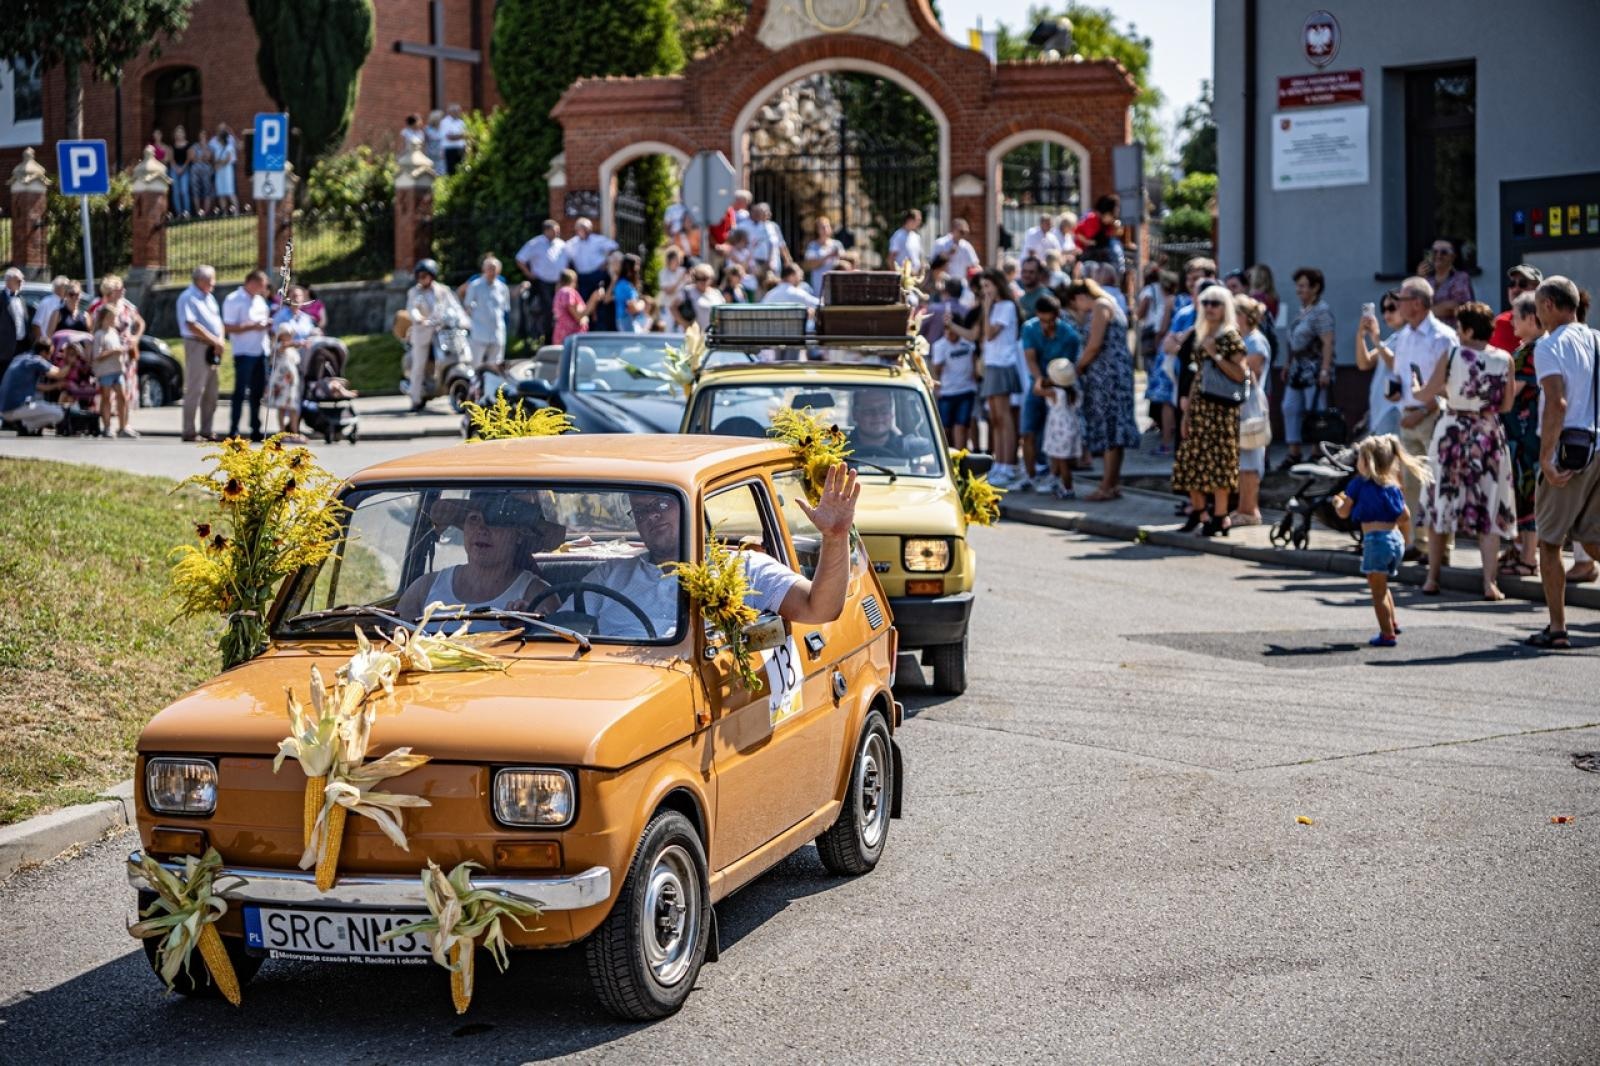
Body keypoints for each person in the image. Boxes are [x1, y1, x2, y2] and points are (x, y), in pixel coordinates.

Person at [574, 465, 861, 639]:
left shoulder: (745, 567)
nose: (652, 517)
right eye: (641, 510)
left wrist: (834, 537)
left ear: (693, 510)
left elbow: (819, 608)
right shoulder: (607, 577)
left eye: (662, 505)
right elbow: (559, 632)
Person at [1415, 301, 1516, 599]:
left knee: (1442, 503)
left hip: (1453, 431)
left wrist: (1415, 383)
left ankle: (1432, 578)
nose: (1457, 333)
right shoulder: (1505, 359)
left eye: (1460, 327)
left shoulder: (1454, 354)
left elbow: (1425, 393)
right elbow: (1507, 405)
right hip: (1488, 433)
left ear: (1469, 329)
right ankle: (1489, 583)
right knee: (1489, 505)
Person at [1527, 277, 1600, 649]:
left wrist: (1546, 458)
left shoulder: (1549, 345)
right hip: (1599, 446)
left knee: (1550, 542)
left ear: (1551, 306)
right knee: (1593, 537)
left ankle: (1557, 629)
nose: (1536, 314)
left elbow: (1556, 403)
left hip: (1570, 452)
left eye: (1538, 307)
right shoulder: (1597, 339)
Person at [396, 490, 563, 623]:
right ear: (464, 528)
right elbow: (393, 646)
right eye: (474, 519)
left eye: (495, 521)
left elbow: (555, 658)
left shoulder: (537, 595)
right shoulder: (423, 590)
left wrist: (532, 626)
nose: (481, 529)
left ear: (518, 534)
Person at [1332, 435, 1428, 647]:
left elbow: (1343, 513)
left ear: (1367, 462)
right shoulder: (1392, 486)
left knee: (1377, 592)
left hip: (1375, 542)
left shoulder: (1358, 484)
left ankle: (1387, 634)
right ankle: (1392, 622)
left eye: (1359, 458)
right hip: (1395, 540)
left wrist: (1337, 501)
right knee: (1383, 586)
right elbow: (1405, 516)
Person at [1390, 275, 1459, 558]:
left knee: (1439, 482)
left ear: (1417, 303)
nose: (1398, 305)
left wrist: (1422, 409)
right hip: (1407, 417)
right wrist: (1395, 396)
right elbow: (1400, 376)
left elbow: (1450, 381)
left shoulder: (1443, 336)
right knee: (1412, 483)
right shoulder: (1404, 335)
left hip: (1432, 417)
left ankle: (1442, 547)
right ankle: (1419, 544)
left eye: (1402, 300)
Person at [1171, 285, 1248, 537]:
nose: (1210, 308)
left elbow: (1240, 373)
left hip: (1222, 409)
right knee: (1191, 460)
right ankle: (1198, 511)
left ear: (1226, 306)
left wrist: (1215, 355)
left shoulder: (1229, 336)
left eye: (1215, 303)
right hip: (1202, 407)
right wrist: (1186, 412)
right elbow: (1198, 376)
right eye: (1205, 303)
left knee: (1219, 464)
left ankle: (1220, 516)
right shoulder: (1201, 333)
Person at [1064, 278, 1141, 501]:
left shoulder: (1100, 306)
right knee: (1115, 430)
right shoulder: (1111, 304)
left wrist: (1077, 369)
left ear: (1081, 296)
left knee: (1109, 428)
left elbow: (1094, 344)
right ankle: (1112, 483)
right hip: (1115, 374)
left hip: (1107, 376)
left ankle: (1106, 486)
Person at [954, 269, 1023, 485]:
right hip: (992, 364)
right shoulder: (994, 308)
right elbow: (982, 336)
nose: (985, 291)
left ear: (998, 285)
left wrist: (985, 308)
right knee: (995, 419)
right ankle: (1000, 463)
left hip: (1003, 364)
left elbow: (990, 333)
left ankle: (1007, 465)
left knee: (1004, 418)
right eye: (983, 288)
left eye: (988, 286)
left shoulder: (1007, 306)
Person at [1500, 292, 1545, 577]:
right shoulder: (1539, 347)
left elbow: (1509, 393)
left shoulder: (1530, 350)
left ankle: (1529, 558)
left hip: (1526, 434)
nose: (1512, 321)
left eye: (1517, 316)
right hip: (1531, 432)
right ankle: (1525, 553)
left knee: (1527, 494)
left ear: (1531, 317)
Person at [1019, 294, 1080, 493]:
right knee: (1027, 432)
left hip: (1059, 388)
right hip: (1037, 384)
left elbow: (1067, 369)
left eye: (1050, 320)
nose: (1046, 325)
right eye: (1042, 321)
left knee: (1054, 439)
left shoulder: (1070, 336)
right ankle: (1030, 476)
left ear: (1057, 315)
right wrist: (1040, 381)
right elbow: (1031, 359)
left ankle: (1053, 477)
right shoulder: (1029, 328)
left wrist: (1052, 385)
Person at [1280, 266, 1337, 468]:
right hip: (1297, 367)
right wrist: (1287, 364)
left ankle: (1316, 451)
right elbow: (1292, 341)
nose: (1299, 290)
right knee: (1290, 407)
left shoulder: (1321, 311)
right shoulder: (1302, 312)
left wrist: (1325, 369)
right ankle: (1293, 451)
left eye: (1303, 286)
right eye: (1298, 285)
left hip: (1314, 367)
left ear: (1315, 288)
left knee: (1316, 410)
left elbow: (1327, 342)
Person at [1233, 295, 1271, 525]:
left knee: (1250, 459)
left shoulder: (1256, 342)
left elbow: (1250, 375)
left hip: (1251, 407)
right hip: (1242, 404)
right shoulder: (1245, 339)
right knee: (1242, 460)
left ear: (1244, 317)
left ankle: (1250, 511)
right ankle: (1243, 509)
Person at [177, 265, 225, 441]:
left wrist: (219, 340)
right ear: (200, 280)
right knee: (195, 388)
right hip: (197, 345)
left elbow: (218, 321)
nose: (214, 283)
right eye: (211, 279)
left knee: (212, 391)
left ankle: (207, 429)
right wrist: (214, 340)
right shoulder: (188, 297)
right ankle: (189, 430)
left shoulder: (209, 298)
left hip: (213, 346)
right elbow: (191, 324)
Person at [405, 258, 460, 412]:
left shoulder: (442, 290)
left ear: (432, 275)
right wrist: (419, 318)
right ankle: (415, 399)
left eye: (425, 276)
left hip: (441, 332)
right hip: (422, 333)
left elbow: (454, 306)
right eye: (419, 276)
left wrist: (462, 320)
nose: (422, 279)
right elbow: (412, 308)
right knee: (419, 366)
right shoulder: (414, 291)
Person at [223, 269, 272, 440]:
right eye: (262, 285)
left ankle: (255, 428)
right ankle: (234, 429)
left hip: (261, 351)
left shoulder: (260, 301)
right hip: (244, 351)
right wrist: (252, 326)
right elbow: (228, 327)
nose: (263, 289)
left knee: (257, 393)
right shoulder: (234, 299)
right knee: (240, 391)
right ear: (252, 282)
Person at [1355, 290, 1405, 437]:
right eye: (1384, 310)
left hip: (1395, 410)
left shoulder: (1410, 336)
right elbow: (1364, 363)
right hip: (1382, 411)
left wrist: (1377, 340)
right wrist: (1361, 335)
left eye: (1392, 308)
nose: (1386, 314)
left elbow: (1398, 367)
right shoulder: (1394, 338)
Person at [0, 339, 68, 434]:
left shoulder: (20, 358)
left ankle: (24, 425)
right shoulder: (36, 360)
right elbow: (59, 374)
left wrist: (56, 385)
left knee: (39, 403)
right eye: (50, 354)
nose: (50, 358)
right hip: (16, 408)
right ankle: (27, 425)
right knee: (59, 413)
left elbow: (39, 387)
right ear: (44, 352)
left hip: (4, 410)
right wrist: (71, 361)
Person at [931, 314, 978, 450]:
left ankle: (960, 458)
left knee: (961, 426)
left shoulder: (968, 343)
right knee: (945, 429)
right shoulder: (939, 345)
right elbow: (936, 370)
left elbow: (975, 362)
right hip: (947, 392)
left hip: (966, 390)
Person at [516, 219, 567, 344]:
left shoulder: (561, 244)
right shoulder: (535, 243)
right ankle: (547, 339)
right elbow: (520, 259)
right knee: (548, 311)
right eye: (555, 230)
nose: (557, 233)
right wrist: (529, 274)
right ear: (546, 231)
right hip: (542, 282)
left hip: (559, 284)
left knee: (560, 310)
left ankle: (558, 337)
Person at [86, 304, 133, 438]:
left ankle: (123, 426)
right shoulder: (100, 334)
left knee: (122, 397)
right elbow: (97, 355)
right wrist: (114, 351)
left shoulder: (114, 332)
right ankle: (107, 427)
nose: (115, 319)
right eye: (113, 317)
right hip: (105, 370)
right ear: (106, 318)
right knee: (106, 398)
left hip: (117, 369)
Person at [458, 255, 511, 369]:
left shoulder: (502, 288)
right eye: (489, 268)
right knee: (476, 365)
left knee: (496, 366)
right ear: (484, 269)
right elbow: (467, 306)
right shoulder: (475, 285)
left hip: (497, 332)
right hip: (479, 331)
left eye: (494, 268)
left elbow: (505, 309)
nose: (492, 271)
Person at [1040, 369, 1083, 501]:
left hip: (1058, 430)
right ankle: (1059, 484)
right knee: (1062, 461)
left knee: (1062, 462)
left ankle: (1068, 489)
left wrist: (1040, 379)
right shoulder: (1075, 392)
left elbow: (1037, 390)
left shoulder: (1055, 392)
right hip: (1071, 427)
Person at [1420, 237, 1473, 331]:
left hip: (1454, 335)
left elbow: (1454, 308)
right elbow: (1414, 305)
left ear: (1453, 256)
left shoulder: (1461, 278)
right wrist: (1419, 279)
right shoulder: (1425, 279)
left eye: (1444, 252)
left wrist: (1424, 312)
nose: (1438, 255)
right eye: (1435, 252)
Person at [266, 324, 305, 442]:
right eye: (287, 334)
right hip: (281, 382)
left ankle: (294, 432)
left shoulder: (292, 349)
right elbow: (282, 347)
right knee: (282, 408)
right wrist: (298, 343)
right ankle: (282, 433)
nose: (289, 336)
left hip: (291, 383)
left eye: (290, 334)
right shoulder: (276, 345)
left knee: (293, 408)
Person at [1490, 265, 1540, 355]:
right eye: (1512, 284)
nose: (1516, 289)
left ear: (1538, 289)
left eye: (1523, 284)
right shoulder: (1499, 322)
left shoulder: (1548, 323)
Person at [566, 217, 617, 300]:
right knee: (583, 299)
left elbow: (613, 247)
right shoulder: (571, 243)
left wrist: (606, 261)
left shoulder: (597, 239)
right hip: (581, 277)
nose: (584, 230)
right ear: (576, 229)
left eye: (586, 228)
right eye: (581, 228)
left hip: (597, 274)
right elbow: (566, 258)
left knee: (599, 298)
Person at [552, 268, 603, 344]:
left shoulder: (559, 293)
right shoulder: (568, 292)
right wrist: (593, 299)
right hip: (570, 337)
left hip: (561, 335)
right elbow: (578, 316)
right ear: (574, 280)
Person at [745, 203, 789, 284]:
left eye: (764, 211)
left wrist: (787, 260)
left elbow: (781, 244)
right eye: (760, 212)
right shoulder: (750, 226)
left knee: (773, 284)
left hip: (773, 262)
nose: (762, 214)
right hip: (756, 263)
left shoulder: (774, 226)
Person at [803, 217, 844, 298]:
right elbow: (810, 265)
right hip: (819, 282)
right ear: (817, 230)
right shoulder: (812, 246)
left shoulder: (837, 244)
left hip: (835, 281)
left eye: (827, 226)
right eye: (822, 227)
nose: (825, 229)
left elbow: (843, 262)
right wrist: (828, 256)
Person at [931, 219, 979, 287]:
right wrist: (948, 254)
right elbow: (933, 265)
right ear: (954, 229)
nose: (964, 234)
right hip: (944, 284)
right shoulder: (940, 243)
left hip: (961, 284)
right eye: (961, 231)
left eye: (966, 232)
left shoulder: (966, 246)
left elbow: (974, 265)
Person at [1135, 264, 1166, 367]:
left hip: (1151, 329)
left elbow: (1141, 313)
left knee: (1150, 360)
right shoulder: (1165, 289)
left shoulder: (1149, 290)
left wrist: (1137, 313)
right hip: (1164, 326)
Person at [610, 253, 649, 332]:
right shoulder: (625, 286)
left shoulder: (623, 284)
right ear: (629, 269)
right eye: (636, 265)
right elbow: (632, 308)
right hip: (627, 322)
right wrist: (642, 303)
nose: (638, 269)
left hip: (626, 321)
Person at [209, 124, 238, 214]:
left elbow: (228, 159)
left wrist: (219, 163)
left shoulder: (229, 147)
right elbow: (215, 159)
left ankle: (236, 212)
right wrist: (217, 164)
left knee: (230, 192)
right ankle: (224, 213)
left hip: (227, 172)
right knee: (221, 193)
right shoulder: (217, 148)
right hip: (219, 172)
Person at [656, 247, 688, 332]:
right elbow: (668, 291)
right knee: (668, 330)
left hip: (681, 308)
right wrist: (679, 280)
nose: (678, 261)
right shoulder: (663, 273)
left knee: (682, 331)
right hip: (668, 308)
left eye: (679, 258)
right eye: (676, 259)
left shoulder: (682, 271)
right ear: (669, 260)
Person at [29, 277, 68, 345]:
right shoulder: (46, 302)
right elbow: (36, 324)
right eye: (66, 287)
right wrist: (43, 344)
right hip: (47, 345)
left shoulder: (66, 303)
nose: (68, 289)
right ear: (57, 288)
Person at [189, 131, 215, 214]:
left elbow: (208, 158)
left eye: (204, 136)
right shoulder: (194, 146)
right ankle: (198, 212)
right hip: (195, 170)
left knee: (207, 190)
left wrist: (202, 153)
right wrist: (200, 158)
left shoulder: (209, 147)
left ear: (206, 137)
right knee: (195, 190)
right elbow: (192, 158)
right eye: (201, 136)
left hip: (207, 170)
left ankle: (206, 212)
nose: (202, 137)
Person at [169, 126, 192, 217]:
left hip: (185, 168)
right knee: (176, 191)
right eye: (177, 132)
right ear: (175, 134)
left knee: (184, 190)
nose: (179, 134)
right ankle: (179, 213)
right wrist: (176, 168)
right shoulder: (172, 146)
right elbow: (171, 159)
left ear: (184, 134)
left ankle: (187, 212)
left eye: (181, 132)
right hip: (174, 169)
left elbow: (189, 158)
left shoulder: (188, 145)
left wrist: (183, 168)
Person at [439, 103, 468, 174]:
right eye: (455, 111)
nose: (458, 112)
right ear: (450, 112)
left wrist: (458, 136)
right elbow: (449, 137)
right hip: (450, 150)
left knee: (461, 170)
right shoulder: (445, 122)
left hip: (461, 149)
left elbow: (466, 135)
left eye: (458, 111)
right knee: (451, 171)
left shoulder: (461, 122)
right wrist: (461, 136)